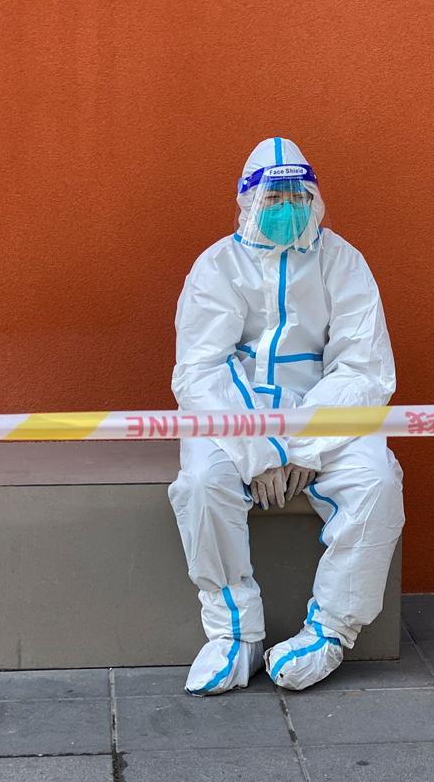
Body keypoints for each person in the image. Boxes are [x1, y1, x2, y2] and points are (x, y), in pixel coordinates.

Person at [167, 137, 405, 694]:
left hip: (325, 412)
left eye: (295, 196)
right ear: (246, 202)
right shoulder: (216, 267)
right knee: (201, 484)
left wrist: (300, 444)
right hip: (230, 416)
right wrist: (261, 450)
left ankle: (330, 630)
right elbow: (201, 371)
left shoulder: (342, 261)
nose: (284, 209)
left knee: (377, 482)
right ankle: (233, 633)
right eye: (271, 198)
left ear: (316, 199)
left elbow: (365, 367)